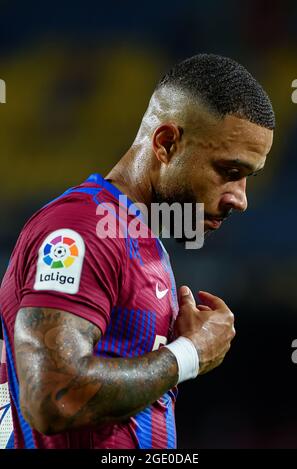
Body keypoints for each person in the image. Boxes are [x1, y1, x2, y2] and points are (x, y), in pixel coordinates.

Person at [0, 54, 274, 449]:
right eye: (229, 172)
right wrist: (189, 354)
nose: (240, 199)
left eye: (248, 177)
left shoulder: (138, 238)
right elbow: (52, 398)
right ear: (166, 143)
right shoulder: (82, 230)